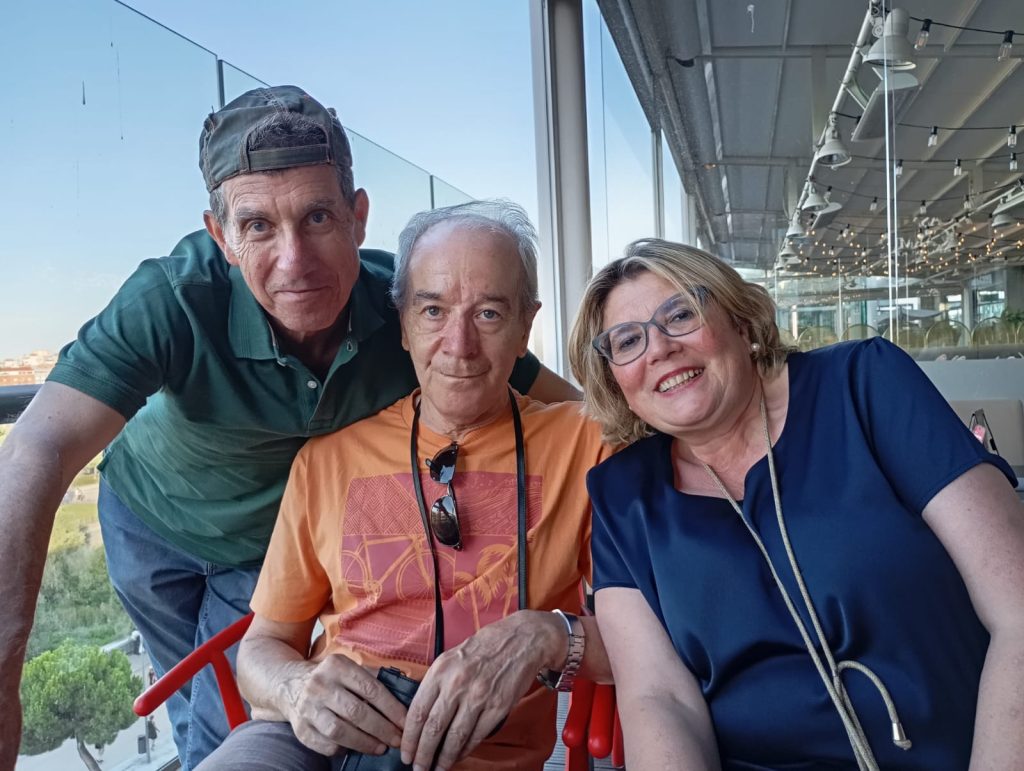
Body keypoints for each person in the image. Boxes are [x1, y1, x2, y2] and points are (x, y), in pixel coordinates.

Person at [0, 86, 577, 771]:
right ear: (220, 238)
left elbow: (559, 403)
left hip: (265, 540)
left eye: (318, 216)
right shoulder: (170, 297)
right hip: (152, 523)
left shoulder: (414, 307)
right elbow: (38, 445)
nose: (295, 260)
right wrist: (5, 662)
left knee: (229, 718)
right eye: (257, 227)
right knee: (198, 702)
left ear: (359, 218)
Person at [567, 238, 1024, 770]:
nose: (660, 348)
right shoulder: (623, 494)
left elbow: (1016, 610)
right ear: (616, 381)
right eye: (626, 342)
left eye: (681, 314)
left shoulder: (864, 386)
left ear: (740, 320)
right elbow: (659, 700)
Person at [197, 201, 612, 771]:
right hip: (320, 744)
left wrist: (549, 635)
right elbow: (262, 648)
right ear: (404, 326)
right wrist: (295, 687)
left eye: (489, 314)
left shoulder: (587, 444)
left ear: (525, 328)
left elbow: (664, 640)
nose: (459, 345)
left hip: (476, 755)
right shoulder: (326, 461)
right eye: (434, 311)